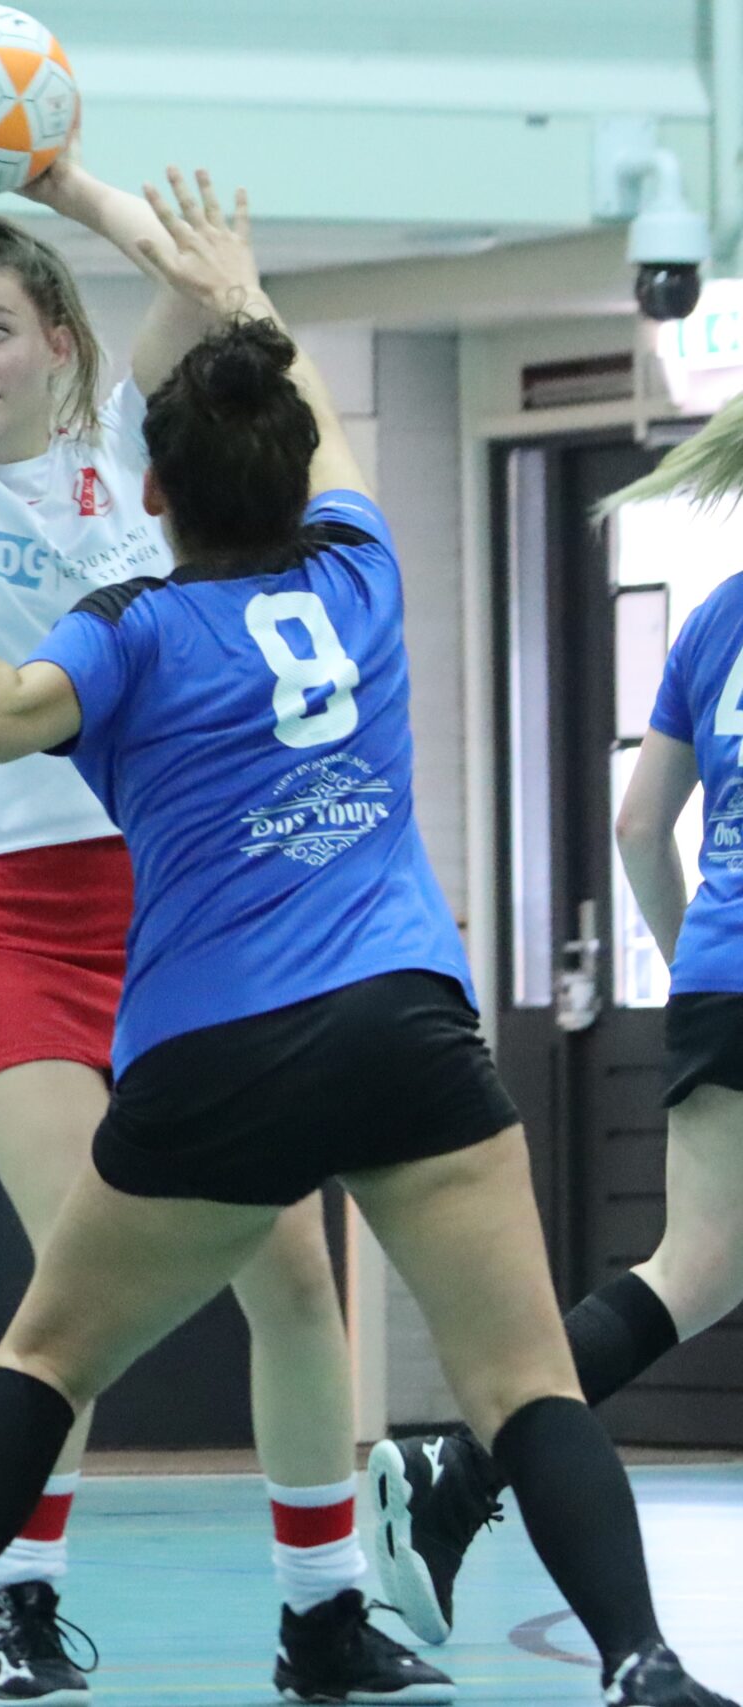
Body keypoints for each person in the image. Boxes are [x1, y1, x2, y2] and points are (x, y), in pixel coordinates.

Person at [0, 172, 734, 1707]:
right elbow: (283, 402)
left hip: (192, 956)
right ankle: (636, 1657)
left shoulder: (129, 592)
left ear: (127, 445)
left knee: (171, 1308)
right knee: (495, 1368)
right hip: (210, 955)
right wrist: (211, 269)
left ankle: (278, 1613)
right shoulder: (346, 562)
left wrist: (54, 188)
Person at [0, 106, 417, 1703]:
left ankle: (325, 1613)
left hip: (173, 916)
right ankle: (16, 1603)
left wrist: (65, 180)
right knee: (82, 1260)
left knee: (296, 1272)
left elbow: (203, 293)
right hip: (6, 917)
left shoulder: (129, 465)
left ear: (59, 343)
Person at [370, 412, 743, 1647]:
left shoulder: (717, 617)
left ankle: (462, 1466)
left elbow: (638, 828)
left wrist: (699, 965)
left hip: (720, 972)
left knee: (693, 1273)